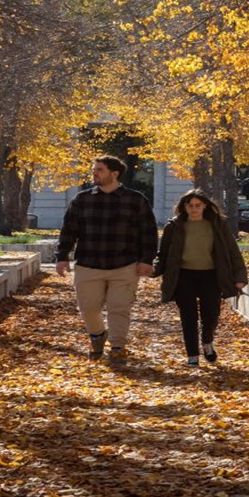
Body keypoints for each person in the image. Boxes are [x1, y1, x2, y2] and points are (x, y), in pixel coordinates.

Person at [55, 155, 158, 364]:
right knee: (88, 307)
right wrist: (62, 257)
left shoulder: (136, 199)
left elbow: (148, 232)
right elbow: (69, 230)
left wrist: (147, 260)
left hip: (124, 264)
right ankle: (97, 335)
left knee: (119, 307)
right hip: (88, 264)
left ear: (115, 173)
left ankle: (118, 347)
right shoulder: (82, 199)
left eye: (99, 170)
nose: (94, 174)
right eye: (94, 170)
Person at [154, 188, 248, 367]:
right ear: (184, 207)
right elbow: (164, 254)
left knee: (211, 314)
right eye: (190, 205)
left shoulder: (217, 225)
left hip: (211, 275)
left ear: (205, 206)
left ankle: (207, 342)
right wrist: (154, 269)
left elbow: (232, 252)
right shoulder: (174, 227)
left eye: (198, 205)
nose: (194, 209)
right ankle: (192, 355)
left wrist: (240, 276)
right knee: (188, 316)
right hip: (184, 276)